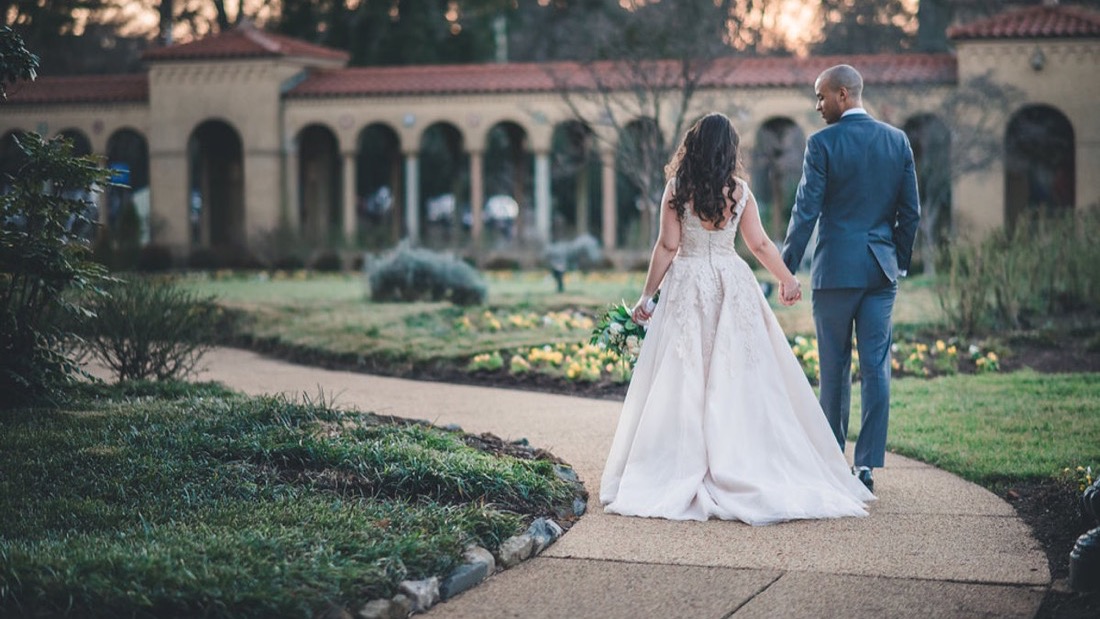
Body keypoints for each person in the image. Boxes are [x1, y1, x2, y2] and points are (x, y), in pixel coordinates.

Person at [599, 113, 874, 525]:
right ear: (730, 150)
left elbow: (667, 246)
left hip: (688, 285)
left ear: (692, 145)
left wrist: (647, 295)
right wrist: (787, 280)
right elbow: (760, 244)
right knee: (741, 374)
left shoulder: (677, 190)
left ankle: (681, 460)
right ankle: (742, 455)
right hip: (731, 281)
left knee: (685, 374)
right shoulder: (740, 192)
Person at [781, 65, 921, 493]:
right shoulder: (897, 141)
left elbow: (806, 211)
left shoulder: (821, 144)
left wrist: (785, 268)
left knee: (834, 369)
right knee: (876, 368)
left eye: (821, 97)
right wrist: (895, 260)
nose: (817, 105)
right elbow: (910, 212)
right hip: (880, 271)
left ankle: (831, 459)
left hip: (835, 273)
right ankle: (867, 468)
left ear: (844, 94)